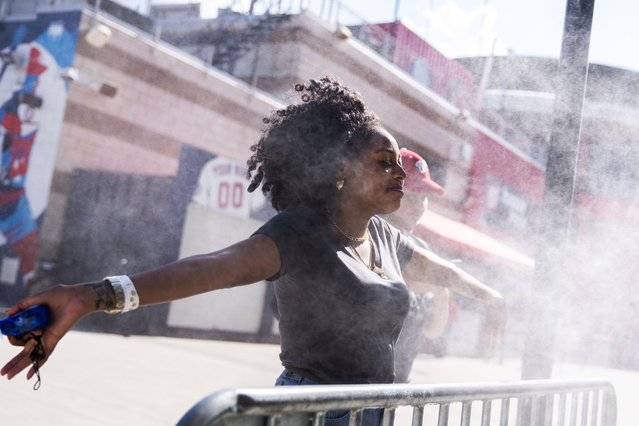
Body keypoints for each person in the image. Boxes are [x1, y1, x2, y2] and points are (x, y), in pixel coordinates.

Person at [1, 77, 505, 425]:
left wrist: (490, 298)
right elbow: (212, 268)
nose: (400, 175)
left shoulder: (385, 237)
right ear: (341, 168)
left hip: (369, 410)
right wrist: (93, 297)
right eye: (385, 162)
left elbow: (442, 271)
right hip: (310, 413)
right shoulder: (299, 234)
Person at [385, 148, 452, 383]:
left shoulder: (421, 247)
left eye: (424, 197)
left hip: (392, 390)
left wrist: (442, 291)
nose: (419, 205)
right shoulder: (368, 232)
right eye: (411, 196)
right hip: (350, 386)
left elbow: (431, 332)